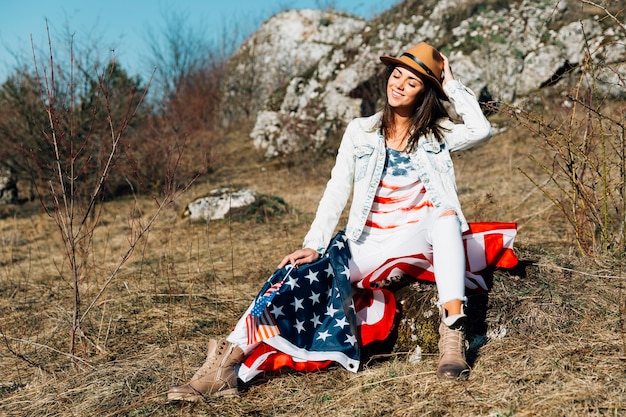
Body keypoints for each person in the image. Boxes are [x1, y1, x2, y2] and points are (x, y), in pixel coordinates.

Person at [167, 42, 495, 402]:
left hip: (416, 235)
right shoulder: (361, 131)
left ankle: (452, 336)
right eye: (396, 75)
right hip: (364, 241)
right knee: (290, 276)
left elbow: (481, 129)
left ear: (426, 93)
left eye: (412, 82)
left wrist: (451, 85)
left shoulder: (437, 133)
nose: (398, 85)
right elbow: (337, 187)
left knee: (446, 216)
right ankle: (224, 365)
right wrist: (315, 243)